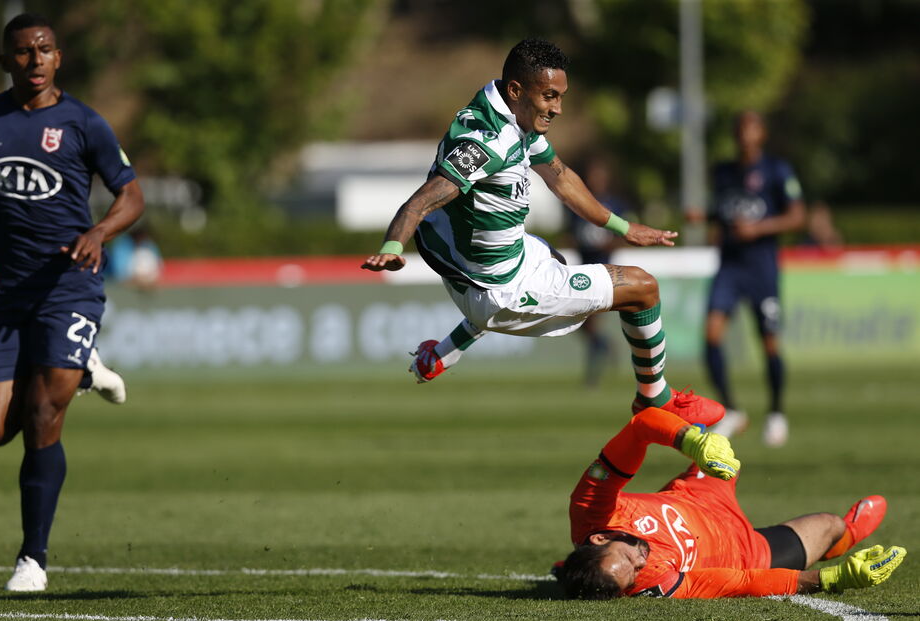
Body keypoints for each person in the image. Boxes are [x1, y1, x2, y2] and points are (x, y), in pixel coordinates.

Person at [361, 39, 721, 425]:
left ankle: (445, 352)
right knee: (643, 287)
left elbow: (561, 178)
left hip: (478, 266)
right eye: (550, 96)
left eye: (562, 96)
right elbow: (420, 200)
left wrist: (622, 226)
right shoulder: (487, 142)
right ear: (517, 90)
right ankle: (655, 399)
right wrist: (393, 244)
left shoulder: (514, 116)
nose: (558, 108)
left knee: (555, 259)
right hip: (502, 291)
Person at [0, 14, 145, 591]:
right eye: (22, 53)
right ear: (6, 62)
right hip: (3, 293)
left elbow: (131, 195)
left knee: (40, 417)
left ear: (59, 58)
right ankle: (83, 368)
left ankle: (33, 559)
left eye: (44, 50)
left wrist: (98, 233)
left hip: (67, 286)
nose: (34, 61)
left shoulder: (83, 124)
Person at [557, 406, 905, 599]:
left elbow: (639, 427)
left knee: (715, 427)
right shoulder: (653, 583)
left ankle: (690, 413)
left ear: (599, 538)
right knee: (830, 524)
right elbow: (739, 583)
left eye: (627, 557)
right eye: (632, 574)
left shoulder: (590, 507)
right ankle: (845, 537)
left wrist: (691, 441)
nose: (639, 561)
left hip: (698, 492)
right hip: (746, 549)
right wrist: (832, 579)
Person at [699, 111, 806, 447]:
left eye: (751, 127)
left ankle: (776, 412)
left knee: (769, 343)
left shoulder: (777, 170)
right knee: (711, 336)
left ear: (762, 133)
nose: (745, 133)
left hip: (762, 268)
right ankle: (731, 409)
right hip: (730, 266)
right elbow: (725, 211)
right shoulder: (723, 172)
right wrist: (704, 218)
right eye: (740, 127)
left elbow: (797, 216)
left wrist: (758, 228)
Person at [564, 157, 636, 387]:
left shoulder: (614, 204)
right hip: (583, 270)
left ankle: (592, 377)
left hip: (605, 271)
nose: (597, 180)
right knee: (580, 324)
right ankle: (605, 347)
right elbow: (572, 233)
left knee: (591, 323)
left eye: (600, 175)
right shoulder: (579, 204)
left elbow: (624, 236)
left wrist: (606, 245)